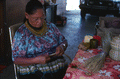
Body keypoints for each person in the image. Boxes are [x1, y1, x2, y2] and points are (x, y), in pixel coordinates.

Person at [12, 0, 68, 79]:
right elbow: (16, 59)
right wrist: (36, 60)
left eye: (42, 17)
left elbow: (64, 41)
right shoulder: (21, 33)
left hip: (56, 64)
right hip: (33, 70)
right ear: (27, 15)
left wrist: (62, 46)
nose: (40, 22)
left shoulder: (51, 26)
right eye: (36, 19)